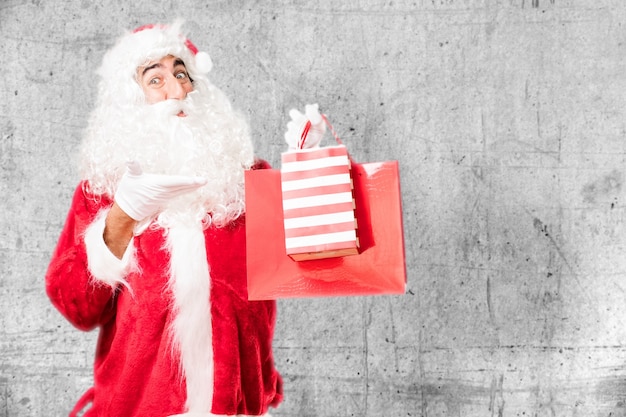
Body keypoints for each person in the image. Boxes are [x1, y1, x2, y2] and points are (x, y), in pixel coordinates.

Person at [45, 21, 283, 417]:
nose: (177, 90)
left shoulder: (247, 180)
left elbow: (311, 262)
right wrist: (122, 217)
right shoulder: (102, 189)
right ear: (130, 103)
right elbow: (77, 307)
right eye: (155, 80)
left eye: (181, 74)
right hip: (140, 406)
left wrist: (312, 173)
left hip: (236, 406)